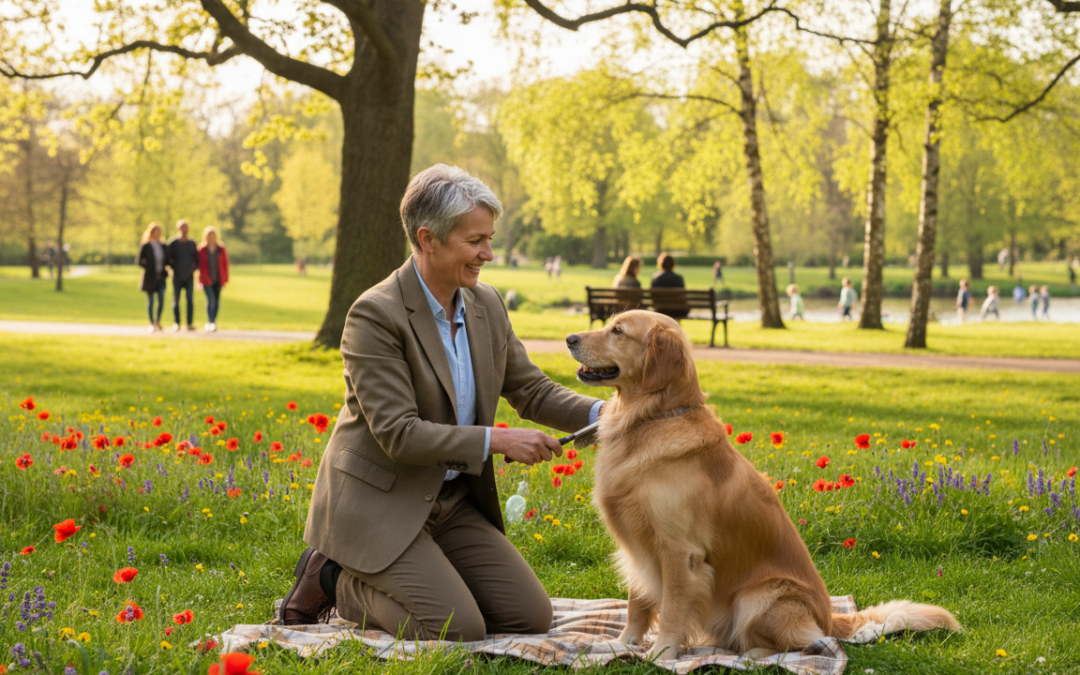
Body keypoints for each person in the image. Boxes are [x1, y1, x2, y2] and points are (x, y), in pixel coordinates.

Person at [279, 164, 604, 642]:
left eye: (489, 239)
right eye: (475, 241)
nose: (487, 253)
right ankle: (334, 579)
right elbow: (399, 434)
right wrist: (497, 441)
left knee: (530, 617)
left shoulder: (487, 304)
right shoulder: (375, 315)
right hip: (379, 504)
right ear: (427, 239)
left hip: (450, 503)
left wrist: (606, 416)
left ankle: (422, 574)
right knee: (456, 628)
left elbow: (531, 390)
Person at [166, 220, 199, 332]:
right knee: (176, 301)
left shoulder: (192, 243)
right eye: (182, 227)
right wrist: (172, 269)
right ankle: (177, 322)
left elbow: (196, 260)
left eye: (186, 227)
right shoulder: (173, 243)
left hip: (189, 277)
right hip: (177, 277)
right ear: (178, 229)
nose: (184, 230)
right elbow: (168, 259)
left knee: (190, 301)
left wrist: (192, 270)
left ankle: (189, 323)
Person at [137, 222, 168, 332]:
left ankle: (157, 321)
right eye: (155, 232)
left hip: (161, 277)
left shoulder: (163, 245)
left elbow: (167, 260)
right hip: (150, 277)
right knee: (150, 301)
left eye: (159, 232)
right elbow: (139, 261)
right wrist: (149, 268)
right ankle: (151, 323)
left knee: (161, 300)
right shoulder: (146, 245)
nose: (157, 234)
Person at [197, 226, 229, 332]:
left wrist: (225, 279)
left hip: (218, 279)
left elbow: (225, 264)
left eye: (213, 235)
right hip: (206, 279)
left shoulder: (221, 248)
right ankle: (210, 321)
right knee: (211, 299)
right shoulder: (202, 249)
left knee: (216, 301)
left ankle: (213, 321)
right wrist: (199, 281)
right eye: (209, 235)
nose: (211, 237)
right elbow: (199, 266)